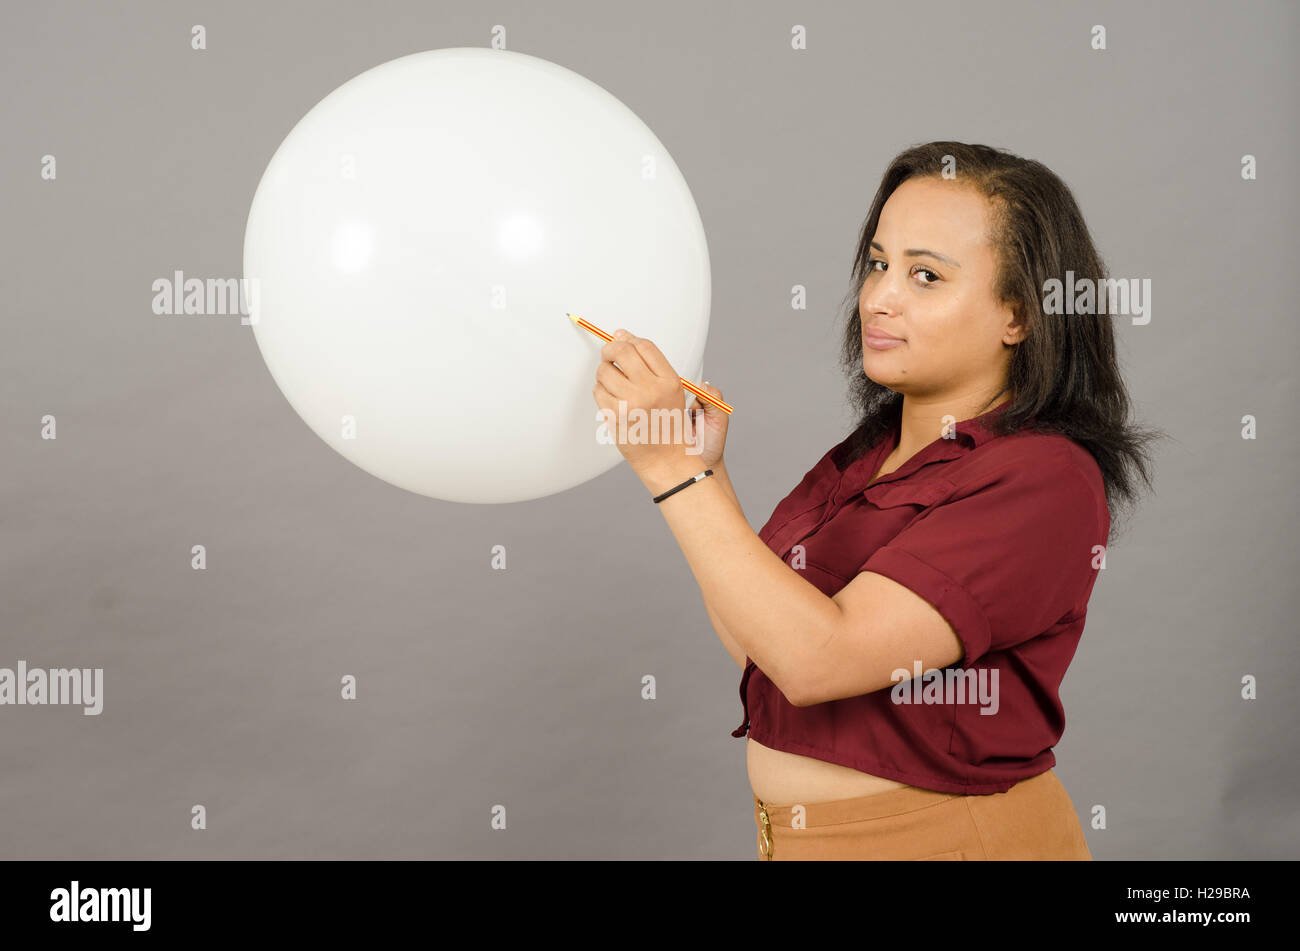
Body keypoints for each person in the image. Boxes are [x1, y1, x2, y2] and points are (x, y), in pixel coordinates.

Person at [591, 141, 1161, 860]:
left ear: (1019, 314)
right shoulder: (869, 454)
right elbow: (760, 649)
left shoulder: (1043, 478)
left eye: (925, 275)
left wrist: (671, 469)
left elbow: (817, 662)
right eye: (879, 264)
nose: (879, 297)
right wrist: (708, 476)